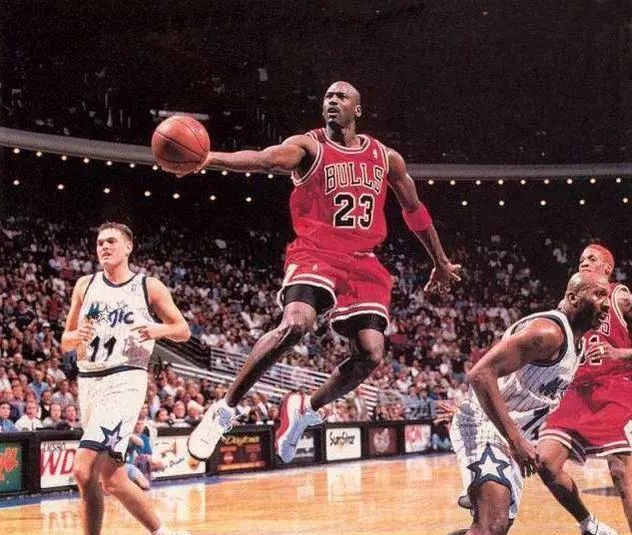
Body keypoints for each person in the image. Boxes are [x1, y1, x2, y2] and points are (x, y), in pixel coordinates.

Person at [185, 81, 461, 462]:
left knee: (371, 353)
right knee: (296, 323)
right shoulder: (309, 146)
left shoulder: (386, 157)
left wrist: (440, 261)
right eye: (327, 97)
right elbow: (266, 159)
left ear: (357, 109)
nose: (332, 101)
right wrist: (209, 158)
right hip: (316, 251)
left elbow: (414, 210)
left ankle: (305, 409)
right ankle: (224, 409)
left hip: (363, 261)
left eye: (340, 96)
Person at [385, 271, 610, 535]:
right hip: (491, 428)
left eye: (607, 297)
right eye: (598, 295)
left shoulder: (576, 344)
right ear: (573, 297)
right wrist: (515, 437)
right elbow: (480, 374)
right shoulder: (549, 333)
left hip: (508, 433)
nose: (605, 305)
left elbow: (516, 388)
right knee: (490, 523)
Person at [54, 222, 192, 535]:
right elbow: (65, 339)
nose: (104, 247)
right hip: (90, 383)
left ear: (129, 247)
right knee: (111, 479)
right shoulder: (84, 285)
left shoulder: (148, 286)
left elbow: (182, 329)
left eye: (111, 242)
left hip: (126, 380)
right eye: (99, 242)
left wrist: (156, 329)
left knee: (82, 469)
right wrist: (75, 338)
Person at [538, 244, 632, 535]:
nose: (584, 262)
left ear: (608, 268)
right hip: (577, 391)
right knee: (545, 462)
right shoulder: (574, 301)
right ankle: (592, 528)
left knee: (622, 474)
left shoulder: (621, 297)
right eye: (581, 260)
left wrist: (619, 352)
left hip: (615, 389)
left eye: (592, 259)